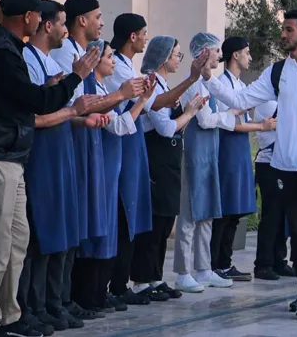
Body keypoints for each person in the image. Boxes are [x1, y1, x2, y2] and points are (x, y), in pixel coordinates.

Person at [199, 9, 297, 318]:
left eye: (288, 30)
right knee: (296, 231)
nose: (282, 34)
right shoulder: (277, 71)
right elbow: (241, 100)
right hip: (284, 165)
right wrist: (208, 78)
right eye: (282, 29)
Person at [0, 0, 96, 337]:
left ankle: (11, 314)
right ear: (27, 17)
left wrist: (56, 84)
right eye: (38, 14)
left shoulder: (9, 48)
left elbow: (24, 97)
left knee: (17, 240)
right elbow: (35, 101)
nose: (40, 20)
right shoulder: (0, 53)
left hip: (10, 156)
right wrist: (75, 78)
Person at [18, 0, 106, 335]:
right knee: (42, 232)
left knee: (63, 229)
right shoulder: (29, 59)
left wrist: (82, 116)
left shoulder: (48, 60)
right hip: (42, 154)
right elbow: (36, 113)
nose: (65, 30)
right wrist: (74, 103)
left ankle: (54, 302)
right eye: (61, 23)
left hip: (61, 148)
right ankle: (33, 306)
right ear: (47, 25)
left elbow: (65, 108)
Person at [73, 40, 152, 314]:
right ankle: (87, 294)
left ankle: (100, 291)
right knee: (95, 231)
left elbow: (121, 124)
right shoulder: (91, 91)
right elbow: (116, 127)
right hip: (98, 166)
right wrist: (126, 96)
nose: (113, 61)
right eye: (108, 56)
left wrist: (142, 99)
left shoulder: (105, 89)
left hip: (110, 168)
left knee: (108, 230)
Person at [131, 36, 207, 300]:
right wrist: (189, 113)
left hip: (169, 161)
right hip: (156, 159)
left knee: (165, 222)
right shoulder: (151, 84)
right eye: (176, 55)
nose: (178, 59)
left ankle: (154, 276)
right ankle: (141, 280)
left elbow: (175, 127)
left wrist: (188, 111)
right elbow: (164, 128)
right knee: (154, 222)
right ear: (164, 57)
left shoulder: (164, 85)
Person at [173, 34, 235, 292]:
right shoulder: (194, 84)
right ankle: (182, 273)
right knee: (190, 214)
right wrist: (231, 115)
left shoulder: (210, 83)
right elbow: (206, 120)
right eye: (216, 50)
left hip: (209, 154)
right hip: (194, 155)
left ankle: (204, 269)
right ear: (204, 52)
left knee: (207, 212)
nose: (220, 55)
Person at [213, 37, 271, 282]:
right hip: (227, 149)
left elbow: (241, 119)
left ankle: (225, 262)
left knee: (236, 210)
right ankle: (216, 263)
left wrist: (259, 123)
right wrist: (261, 126)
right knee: (226, 209)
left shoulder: (240, 85)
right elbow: (228, 122)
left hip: (239, 149)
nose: (250, 57)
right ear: (235, 55)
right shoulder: (221, 84)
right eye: (247, 52)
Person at [253, 99, 295, 279]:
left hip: (282, 163)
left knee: (282, 215)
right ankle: (263, 264)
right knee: (271, 215)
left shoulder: (280, 99)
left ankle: (279, 260)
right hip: (268, 163)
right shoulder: (268, 102)